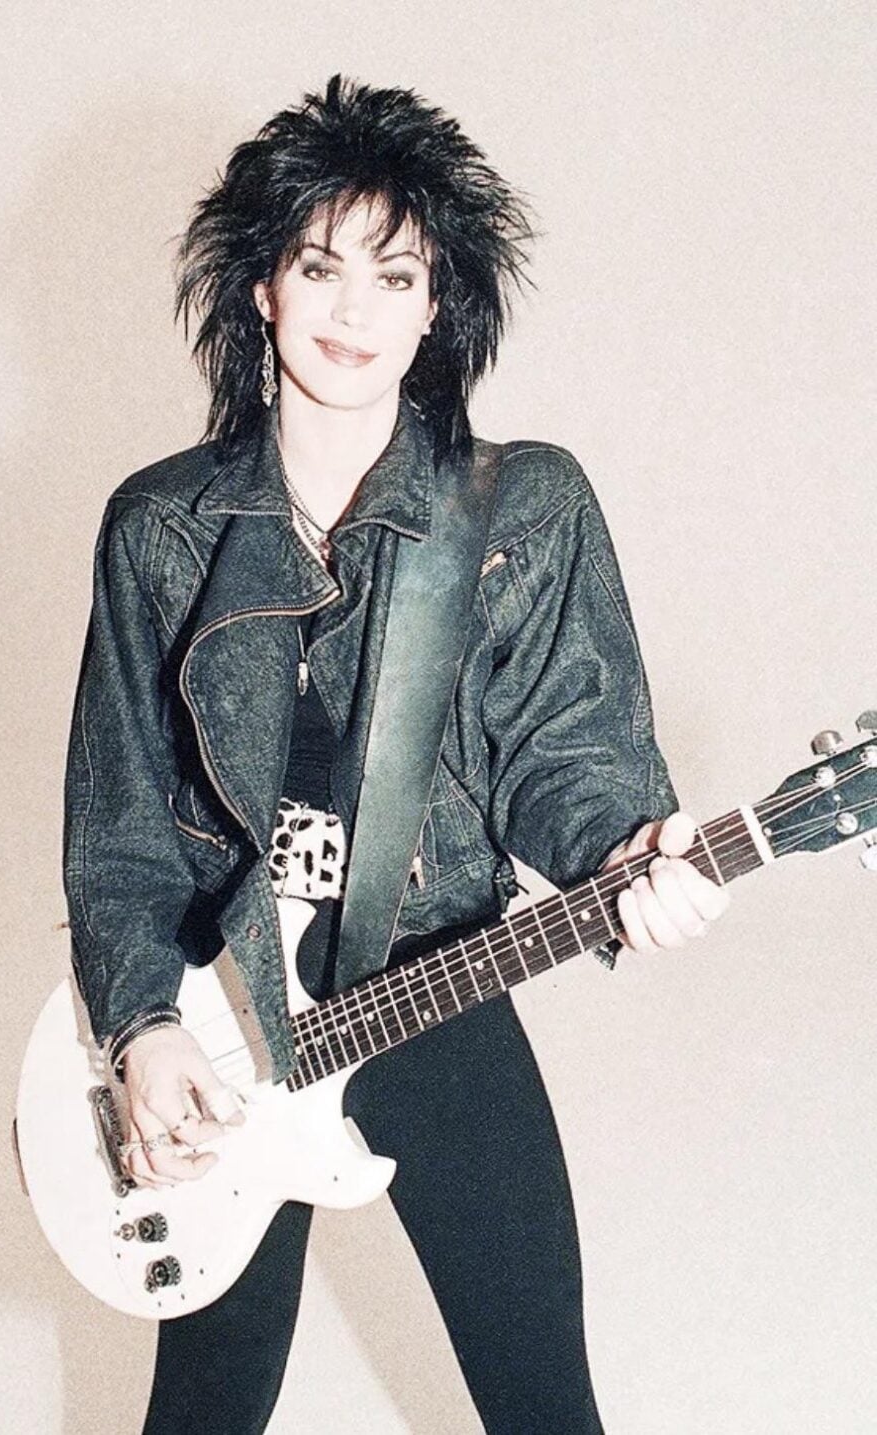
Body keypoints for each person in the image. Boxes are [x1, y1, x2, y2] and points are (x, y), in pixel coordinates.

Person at [62, 74, 729, 1434]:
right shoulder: (159, 529)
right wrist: (137, 1030)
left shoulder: (523, 507)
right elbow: (123, 824)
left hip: (432, 986)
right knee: (202, 1414)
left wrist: (632, 852)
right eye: (319, 267)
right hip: (222, 1016)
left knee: (546, 1402)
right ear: (262, 289)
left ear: (438, 306)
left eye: (395, 274)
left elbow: (568, 755)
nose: (354, 311)